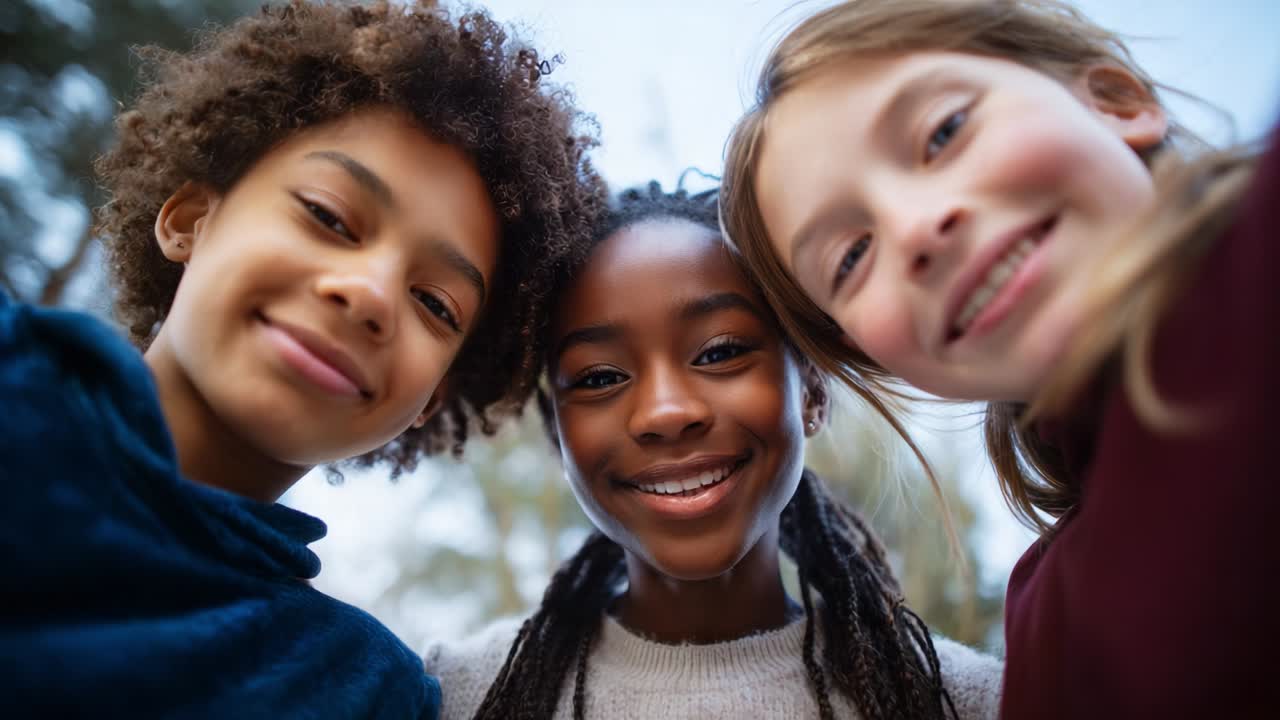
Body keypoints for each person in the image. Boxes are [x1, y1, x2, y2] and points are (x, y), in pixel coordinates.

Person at [0, 2, 604, 717]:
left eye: (436, 305)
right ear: (191, 218)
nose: (371, 295)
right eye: (327, 216)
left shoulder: (364, 689)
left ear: (430, 400)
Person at [719, 0, 1277, 715]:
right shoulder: (1046, 624)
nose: (917, 229)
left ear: (1114, 101)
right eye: (852, 256)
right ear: (872, 350)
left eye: (945, 131)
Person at [425, 184, 1002, 720]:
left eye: (720, 351)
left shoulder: (967, 701)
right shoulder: (455, 695)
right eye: (600, 378)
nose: (666, 413)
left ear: (813, 391)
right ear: (559, 432)